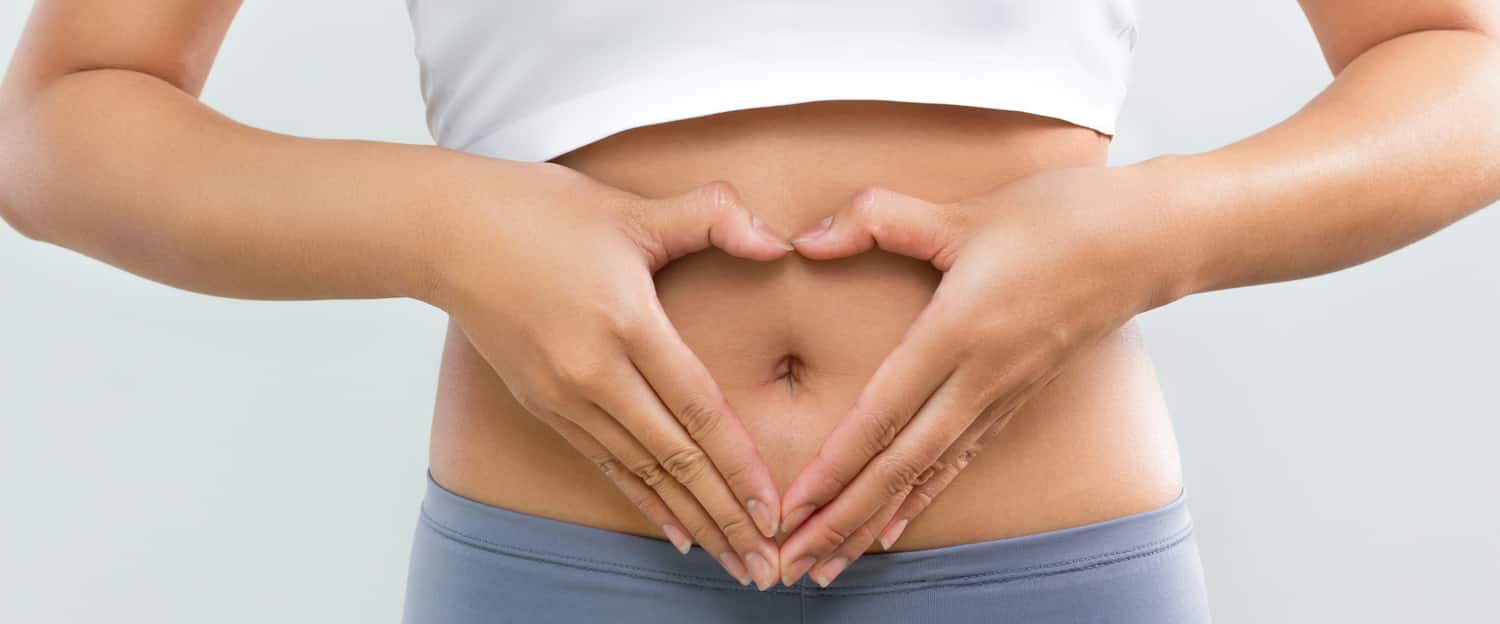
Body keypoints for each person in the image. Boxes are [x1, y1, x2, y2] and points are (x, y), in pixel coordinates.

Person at [1, 1, 1497, 622]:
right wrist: (446, 223)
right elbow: (64, 118)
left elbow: (1459, 64)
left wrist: (1147, 232)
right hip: (569, 563)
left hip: (1037, 565)